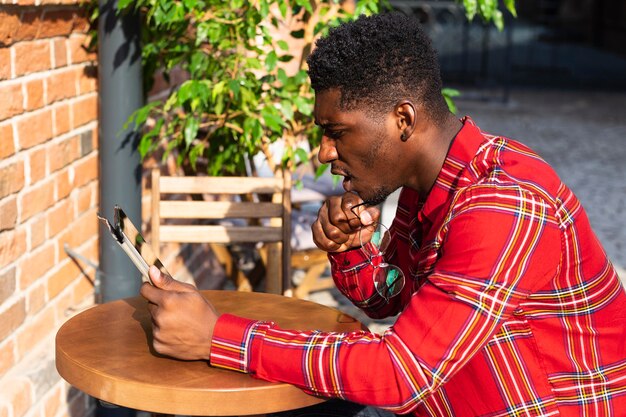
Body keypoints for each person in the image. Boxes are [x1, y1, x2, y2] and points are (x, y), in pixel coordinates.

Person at [140, 12, 626, 416]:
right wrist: (353, 252)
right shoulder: (428, 180)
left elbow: (402, 372)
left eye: (337, 131)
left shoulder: (504, 204)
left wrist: (217, 337)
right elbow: (392, 299)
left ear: (403, 120)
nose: (324, 153)